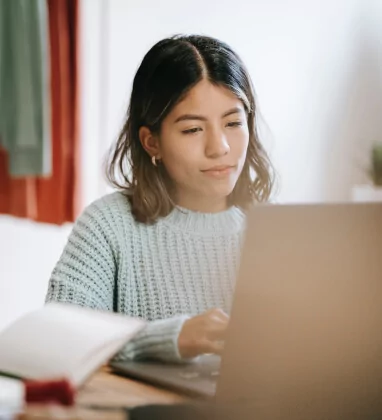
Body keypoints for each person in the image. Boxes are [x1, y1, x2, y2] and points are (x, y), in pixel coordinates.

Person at [45, 34, 275, 363]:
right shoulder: (108, 227)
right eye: (193, 129)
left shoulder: (276, 231)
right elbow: (55, 341)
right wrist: (171, 339)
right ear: (151, 142)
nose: (219, 147)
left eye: (234, 123)